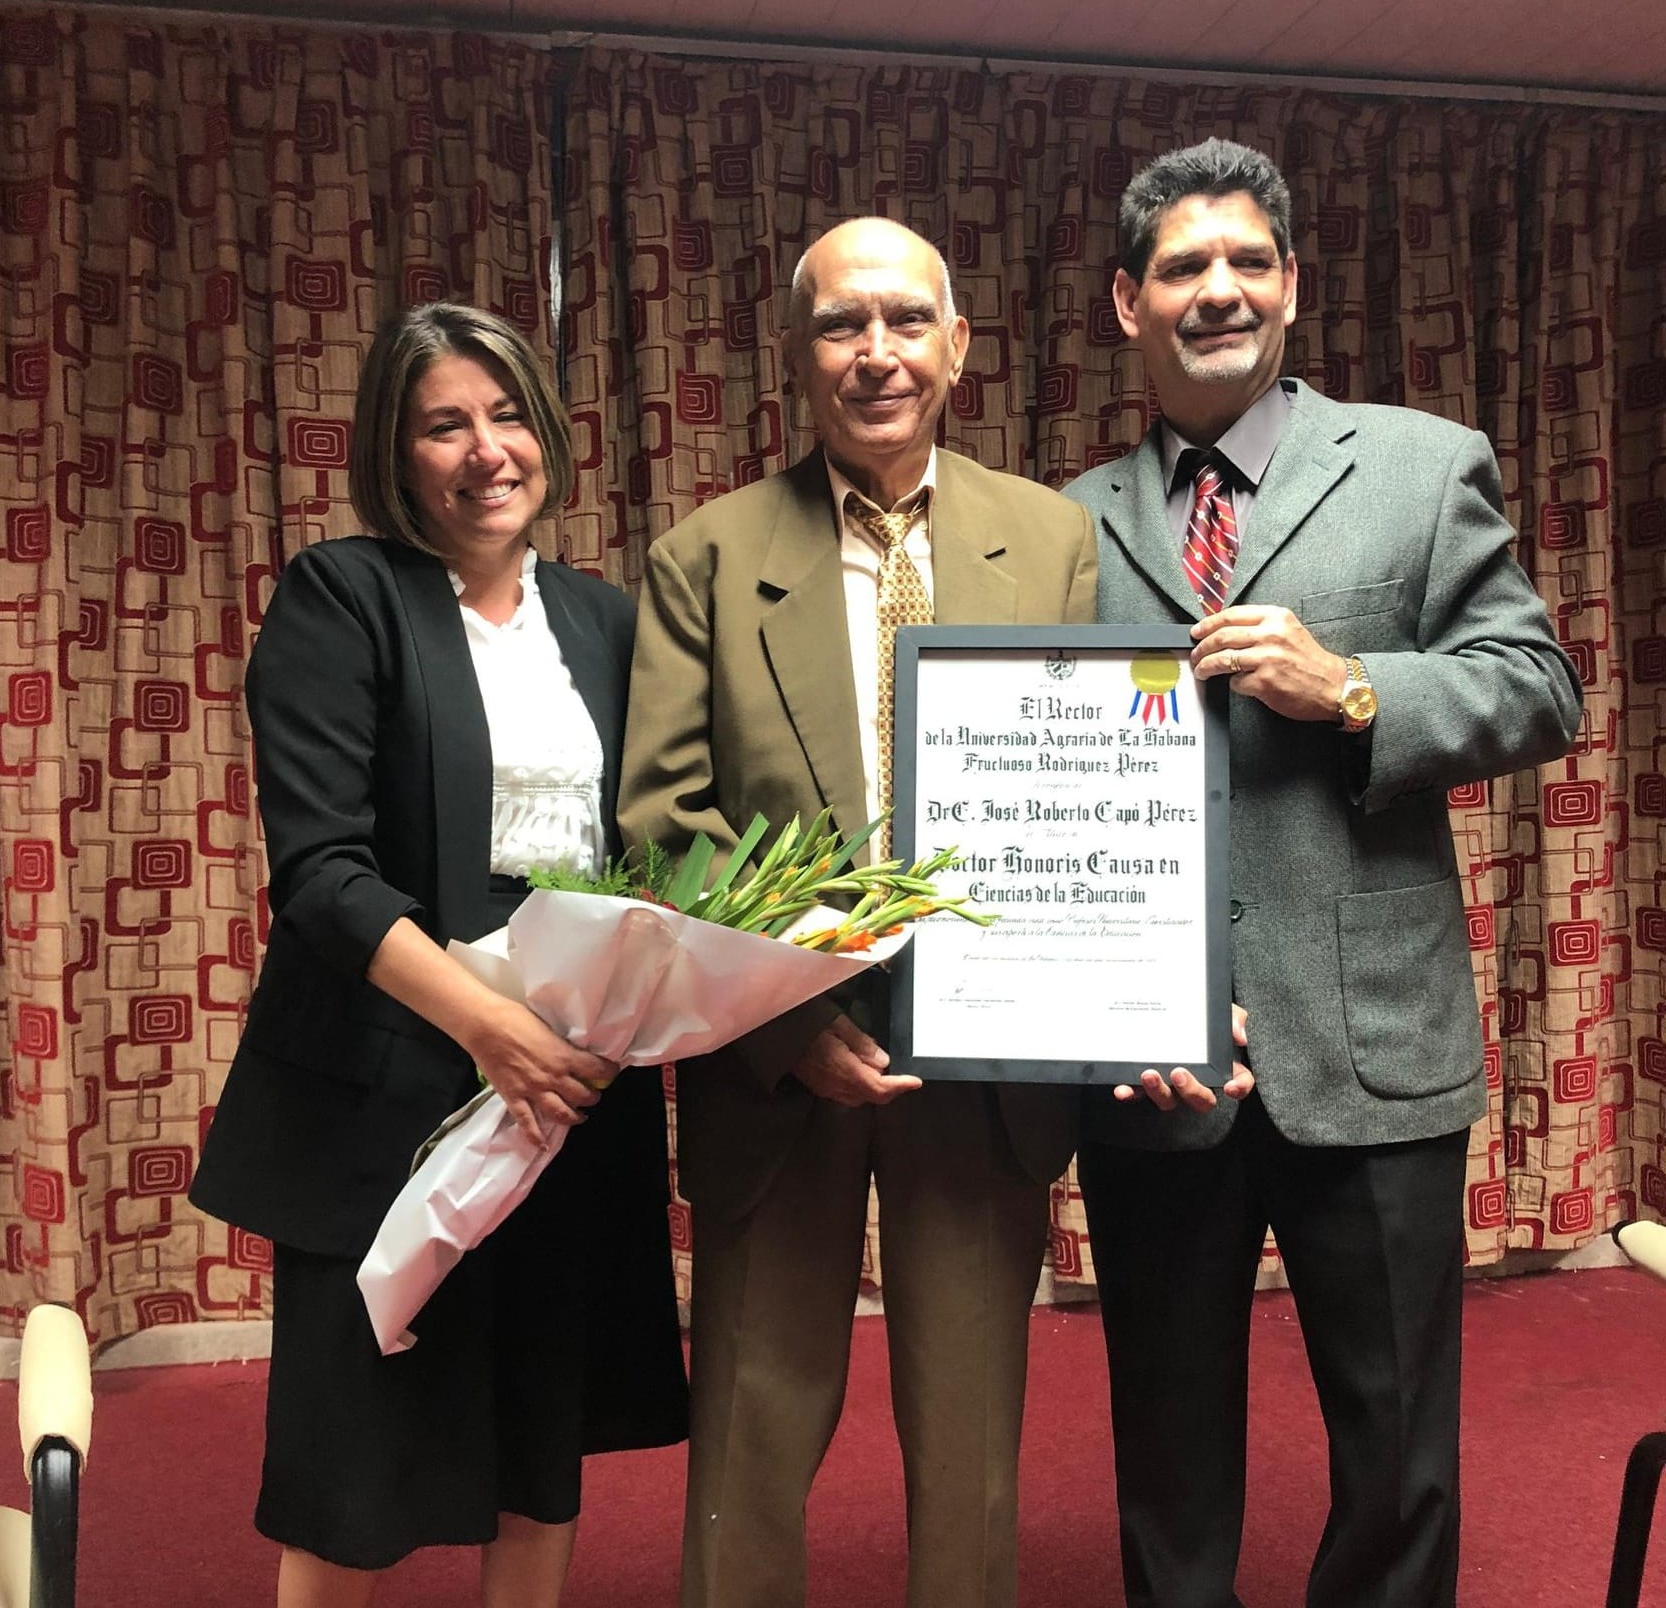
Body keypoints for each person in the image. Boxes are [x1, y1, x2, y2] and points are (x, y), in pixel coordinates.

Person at [618, 216, 1240, 1608]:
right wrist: (788, 1020)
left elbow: (1089, 787)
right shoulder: (705, 559)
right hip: (776, 1062)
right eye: (843, 325)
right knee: (753, 1432)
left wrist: (1137, 983)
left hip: (989, 1060)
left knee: (970, 1444)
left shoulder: (1050, 537)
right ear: (796, 356)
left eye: (908, 321)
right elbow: (663, 825)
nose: (877, 353)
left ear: (959, 347)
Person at [1062, 138, 1584, 1608]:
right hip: (1156, 1064)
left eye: (1246, 261)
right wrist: (1107, 1001)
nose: (1215, 290)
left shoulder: (1422, 467)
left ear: (1293, 284)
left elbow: (1538, 686)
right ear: (1127, 302)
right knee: (1164, 1453)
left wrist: (1354, 686)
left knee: (1399, 1447)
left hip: (1377, 1045)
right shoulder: (1061, 521)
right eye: (1180, 267)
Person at [189, 303, 687, 1608]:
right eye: (444, 424)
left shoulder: (605, 621)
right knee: (355, 1478)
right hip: (396, 1091)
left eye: (508, 413)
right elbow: (322, 876)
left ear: (550, 433)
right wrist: (489, 1028)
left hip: (566, 1095)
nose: (486, 450)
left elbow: (648, 850)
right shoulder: (344, 595)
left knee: (539, 1450)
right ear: (394, 452)